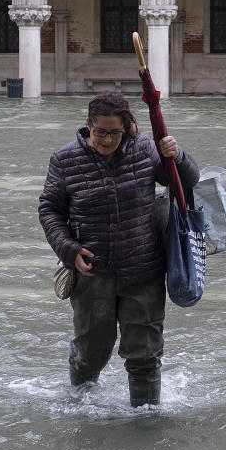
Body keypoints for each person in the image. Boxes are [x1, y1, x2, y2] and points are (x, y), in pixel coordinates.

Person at [39, 92, 199, 407]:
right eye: (100, 132)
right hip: (92, 272)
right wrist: (69, 250)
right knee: (90, 353)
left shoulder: (145, 149)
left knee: (145, 355)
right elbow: (49, 210)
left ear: (126, 128)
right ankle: (80, 409)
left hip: (144, 270)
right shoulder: (64, 159)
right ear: (88, 125)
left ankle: (146, 422)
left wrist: (176, 155)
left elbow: (187, 182)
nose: (107, 139)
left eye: (115, 132)